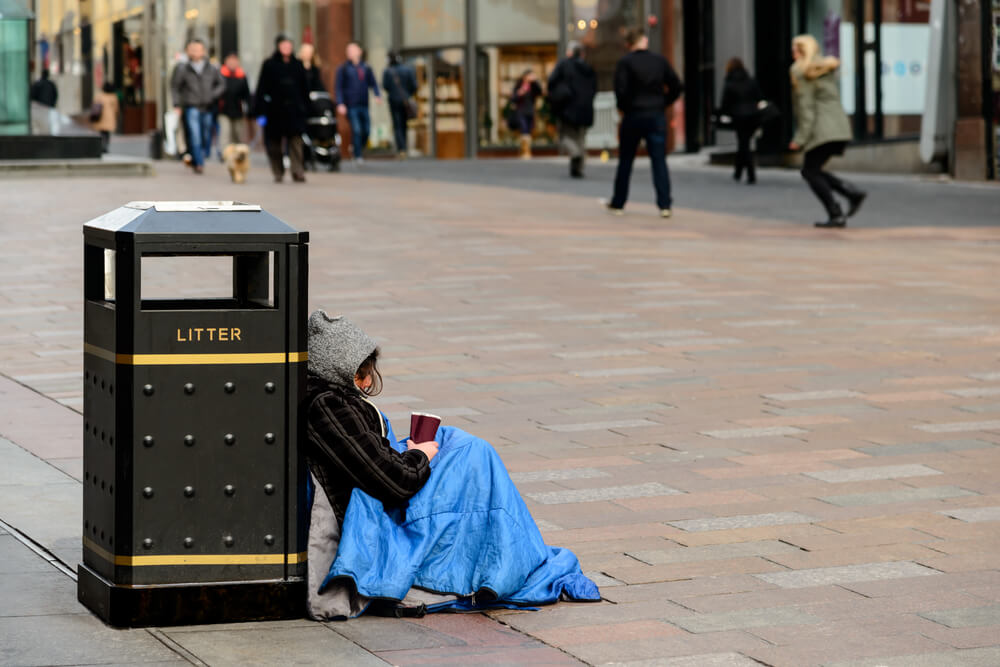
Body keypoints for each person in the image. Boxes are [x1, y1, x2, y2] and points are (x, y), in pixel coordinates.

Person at [303, 311, 600, 620]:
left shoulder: (332, 399)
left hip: (384, 489)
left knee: (462, 446)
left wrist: (415, 451)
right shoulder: (327, 406)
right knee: (474, 457)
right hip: (377, 514)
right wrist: (420, 455)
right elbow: (395, 482)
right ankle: (507, 564)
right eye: (359, 373)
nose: (366, 382)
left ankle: (511, 556)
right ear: (335, 367)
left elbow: (372, 461)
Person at [789, 34, 866, 228]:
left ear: (801, 52)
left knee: (810, 171)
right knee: (813, 170)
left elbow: (807, 109)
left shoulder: (801, 71)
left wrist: (800, 138)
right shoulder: (823, 68)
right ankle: (849, 194)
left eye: (795, 50)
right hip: (838, 128)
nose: (792, 54)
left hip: (822, 130)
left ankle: (838, 210)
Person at [606, 29, 684, 218]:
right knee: (659, 161)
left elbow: (620, 91)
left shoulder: (625, 63)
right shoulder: (659, 61)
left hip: (633, 115)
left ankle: (619, 203)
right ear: (644, 41)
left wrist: (626, 107)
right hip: (655, 115)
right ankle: (664, 205)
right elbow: (676, 86)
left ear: (628, 44)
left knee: (626, 160)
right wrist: (662, 103)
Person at [255, 34, 311, 182]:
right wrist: (260, 111)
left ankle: (297, 170)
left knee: (296, 142)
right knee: (274, 144)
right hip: (275, 111)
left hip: (294, 111)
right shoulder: (269, 64)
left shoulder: (297, 64)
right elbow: (261, 88)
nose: (286, 48)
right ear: (278, 46)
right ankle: (278, 171)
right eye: (283, 45)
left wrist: (306, 108)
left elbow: (305, 89)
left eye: (289, 45)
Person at [170, 38, 224, 174]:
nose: (195, 52)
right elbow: (175, 87)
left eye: (198, 49)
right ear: (188, 51)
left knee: (206, 134)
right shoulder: (182, 68)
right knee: (194, 135)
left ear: (203, 51)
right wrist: (176, 103)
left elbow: (221, 84)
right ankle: (199, 162)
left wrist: (212, 95)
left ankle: (200, 156)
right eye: (192, 49)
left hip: (207, 106)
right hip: (191, 105)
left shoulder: (211, 68)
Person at [547, 42, 597, 178]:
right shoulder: (588, 68)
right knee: (580, 138)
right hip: (585, 109)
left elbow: (551, 82)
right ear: (581, 54)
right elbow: (594, 88)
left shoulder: (564, 65)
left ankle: (575, 155)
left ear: (570, 52)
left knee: (565, 137)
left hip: (568, 108)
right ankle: (577, 169)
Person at [335, 42, 381, 163]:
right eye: (348, 50)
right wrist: (340, 103)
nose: (350, 52)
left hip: (364, 104)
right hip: (351, 105)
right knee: (356, 129)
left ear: (359, 51)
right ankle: (357, 154)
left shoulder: (366, 67)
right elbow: (338, 87)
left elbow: (373, 83)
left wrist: (377, 95)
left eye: (352, 50)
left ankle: (356, 147)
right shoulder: (343, 68)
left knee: (366, 130)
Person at [719, 58, 763, 184]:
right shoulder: (751, 81)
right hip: (753, 116)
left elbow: (725, 103)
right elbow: (759, 97)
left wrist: (723, 115)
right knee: (744, 143)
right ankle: (739, 172)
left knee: (744, 144)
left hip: (738, 117)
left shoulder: (729, 83)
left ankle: (750, 174)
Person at [381, 51, 417, 158]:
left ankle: (401, 149)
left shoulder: (388, 71)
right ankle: (404, 147)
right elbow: (414, 85)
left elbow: (385, 86)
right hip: (405, 100)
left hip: (393, 101)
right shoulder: (408, 69)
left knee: (397, 125)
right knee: (404, 125)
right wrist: (407, 95)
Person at [217, 52, 251, 154]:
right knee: (225, 134)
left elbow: (247, 94)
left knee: (238, 135)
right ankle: (225, 154)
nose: (232, 63)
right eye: (230, 61)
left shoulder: (242, 76)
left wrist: (249, 108)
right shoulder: (220, 74)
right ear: (226, 62)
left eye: (234, 61)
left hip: (238, 110)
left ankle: (238, 154)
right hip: (223, 110)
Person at [510, 70, 542, 159]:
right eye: (530, 75)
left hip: (530, 111)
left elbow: (540, 92)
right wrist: (520, 93)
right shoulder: (519, 86)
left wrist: (535, 81)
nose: (531, 77)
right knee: (524, 129)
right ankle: (525, 151)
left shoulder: (533, 86)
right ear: (525, 76)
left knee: (528, 130)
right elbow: (513, 99)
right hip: (521, 111)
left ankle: (526, 150)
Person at [91, 81, 119, 153]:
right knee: (107, 133)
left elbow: (94, 104)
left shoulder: (100, 96)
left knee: (101, 133)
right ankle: (105, 146)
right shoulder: (113, 97)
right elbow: (116, 109)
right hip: (110, 118)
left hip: (100, 117)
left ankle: (101, 146)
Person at [30, 69, 60, 135]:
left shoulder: (37, 84)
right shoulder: (51, 84)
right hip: (47, 107)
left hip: (40, 108)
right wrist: (52, 105)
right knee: (46, 126)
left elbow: (32, 95)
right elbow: (55, 95)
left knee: (42, 127)